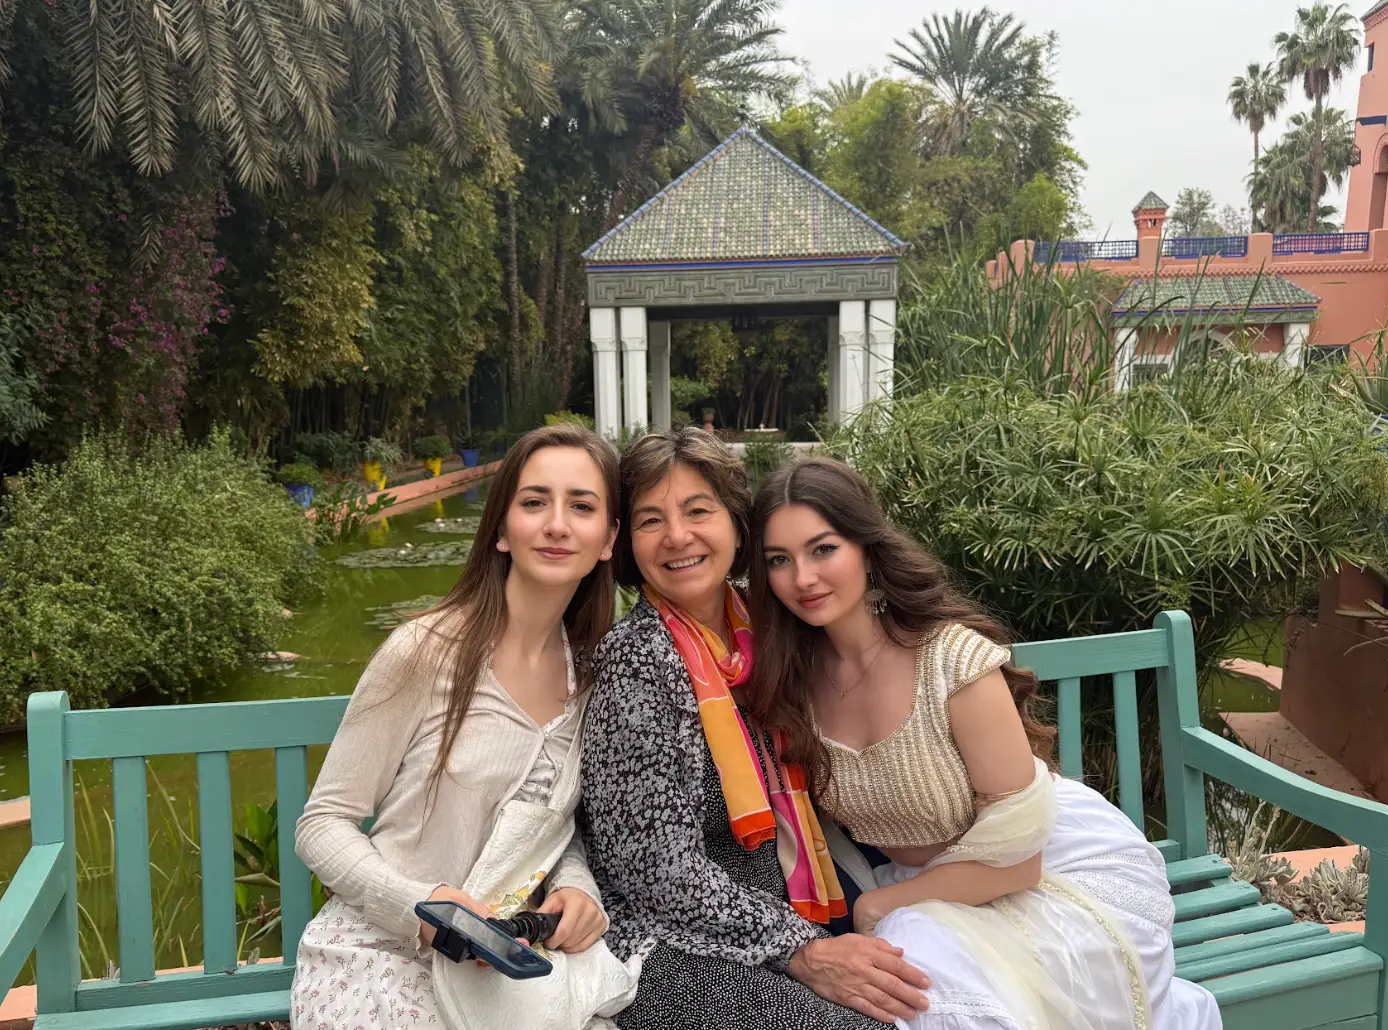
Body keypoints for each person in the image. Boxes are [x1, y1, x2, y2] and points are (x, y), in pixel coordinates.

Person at [748, 455, 1223, 1030]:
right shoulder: (790, 680)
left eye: (823, 549)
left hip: (1046, 872)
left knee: (920, 992)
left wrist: (876, 905)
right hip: (924, 891)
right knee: (897, 983)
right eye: (780, 560)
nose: (803, 578)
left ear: (868, 551)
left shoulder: (953, 661)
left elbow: (1019, 863)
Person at [580, 427, 931, 1030]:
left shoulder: (767, 627)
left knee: (937, 993)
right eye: (649, 520)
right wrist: (802, 949)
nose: (678, 537)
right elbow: (654, 871)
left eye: (698, 510)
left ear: (738, 525)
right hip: (673, 940)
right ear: (626, 543)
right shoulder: (634, 662)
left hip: (795, 890)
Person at [291, 424, 628, 1030]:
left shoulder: (593, 678)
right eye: (533, 502)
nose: (557, 524)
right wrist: (419, 908)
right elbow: (323, 824)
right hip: (379, 958)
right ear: (501, 530)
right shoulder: (425, 651)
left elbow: (553, 827)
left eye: (582, 506)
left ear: (608, 540)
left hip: (504, 967)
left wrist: (579, 891)